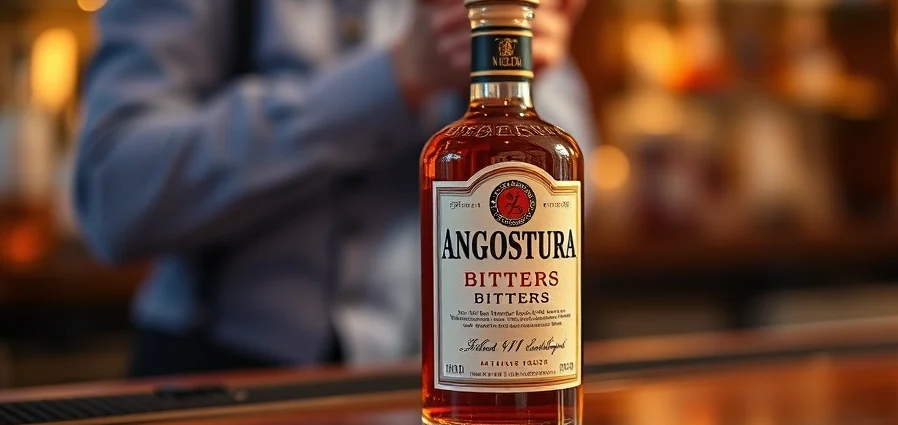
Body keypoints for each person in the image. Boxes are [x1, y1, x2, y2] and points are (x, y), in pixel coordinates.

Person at [73, 0, 595, 377]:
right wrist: (394, 77)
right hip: (218, 379)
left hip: (431, 381)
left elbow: (573, 206)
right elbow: (111, 197)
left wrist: (523, 80)